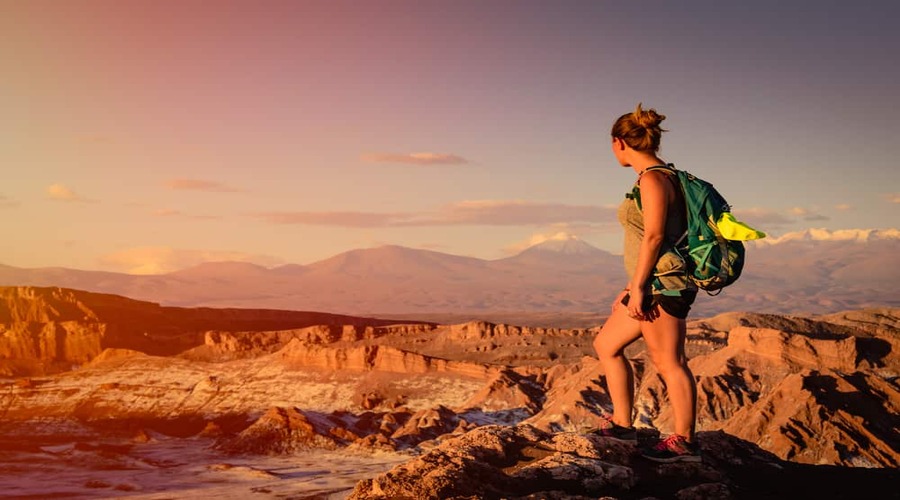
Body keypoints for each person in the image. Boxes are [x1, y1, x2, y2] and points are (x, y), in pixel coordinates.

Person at [590, 103, 701, 463]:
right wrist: (629, 286)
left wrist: (638, 288)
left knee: (669, 362)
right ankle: (623, 426)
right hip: (648, 280)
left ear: (619, 142)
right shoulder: (657, 177)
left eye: (611, 144)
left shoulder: (654, 179)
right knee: (606, 344)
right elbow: (648, 240)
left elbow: (654, 237)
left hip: (663, 284)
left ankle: (684, 441)